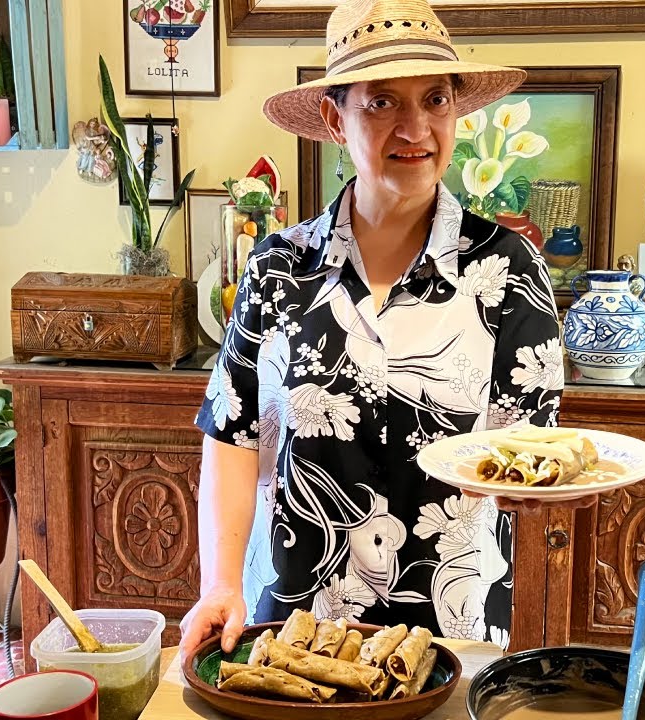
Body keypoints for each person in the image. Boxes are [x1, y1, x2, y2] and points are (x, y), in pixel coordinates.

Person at [180, 0, 575, 662]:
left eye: (435, 99)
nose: (416, 126)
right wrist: (218, 582)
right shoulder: (278, 269)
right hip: (292, 620)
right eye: (382, 103)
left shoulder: (508, 269)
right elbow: (233, 435)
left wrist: (543, 488)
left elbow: (528, 453)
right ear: (336, 118)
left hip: (453, 623)